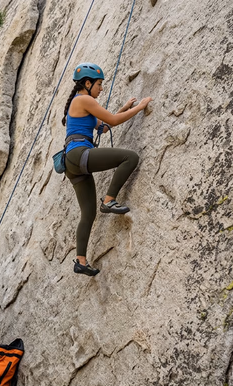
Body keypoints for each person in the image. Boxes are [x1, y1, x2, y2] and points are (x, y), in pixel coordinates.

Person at [61, 62, 153, 276]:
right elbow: (111, 120)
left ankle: (80, 261)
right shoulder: (84, 99)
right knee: (130, 157)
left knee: (88, 213)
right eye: (99, 84)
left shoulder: (81, 102)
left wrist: (125, 109)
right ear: (87, 83)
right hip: (78, 154)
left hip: (72, 163)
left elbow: (104, 126)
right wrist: (140, 107)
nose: (101, 89)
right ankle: (109, 199)